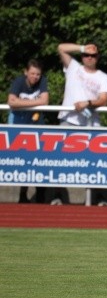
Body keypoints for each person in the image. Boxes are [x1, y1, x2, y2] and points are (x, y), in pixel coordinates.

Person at [55, 42, 107, 206]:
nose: (89, 58)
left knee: (96, 162)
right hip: (69, 120)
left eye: (93, 55)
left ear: (98, 58)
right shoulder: (74, 67)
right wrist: (82, 47)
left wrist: (87, 103)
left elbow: (104, 100)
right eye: (86, 55)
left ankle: (99, 195)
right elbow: (61, 48)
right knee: (61, 161)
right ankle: (58, 194)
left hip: (90, 124)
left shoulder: (103, 77)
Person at [7, 58, 49, 203]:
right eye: (32, 74)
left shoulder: (42, 80)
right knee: (21, 160)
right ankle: (22, 193)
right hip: (19, 124)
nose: (35, 77)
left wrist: (22, 103)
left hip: (36, 124)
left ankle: (40, 193)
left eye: (37, 74)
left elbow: (45, 101)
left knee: (39, 159)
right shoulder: (19, 82)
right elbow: (11, 101)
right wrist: (33, 104)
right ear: (26, 72)